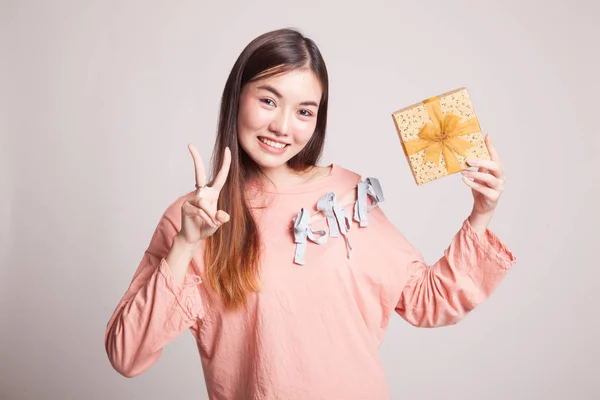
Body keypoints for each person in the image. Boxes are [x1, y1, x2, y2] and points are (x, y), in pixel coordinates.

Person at [105, 27, 516, 399]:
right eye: (268, 100)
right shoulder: (195, 217)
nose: (284, 126)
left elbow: (431, 300)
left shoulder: (348, 194)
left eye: (304, 111)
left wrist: (481, 213)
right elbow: (127, 355)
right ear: (237, 98)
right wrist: (185, 245)